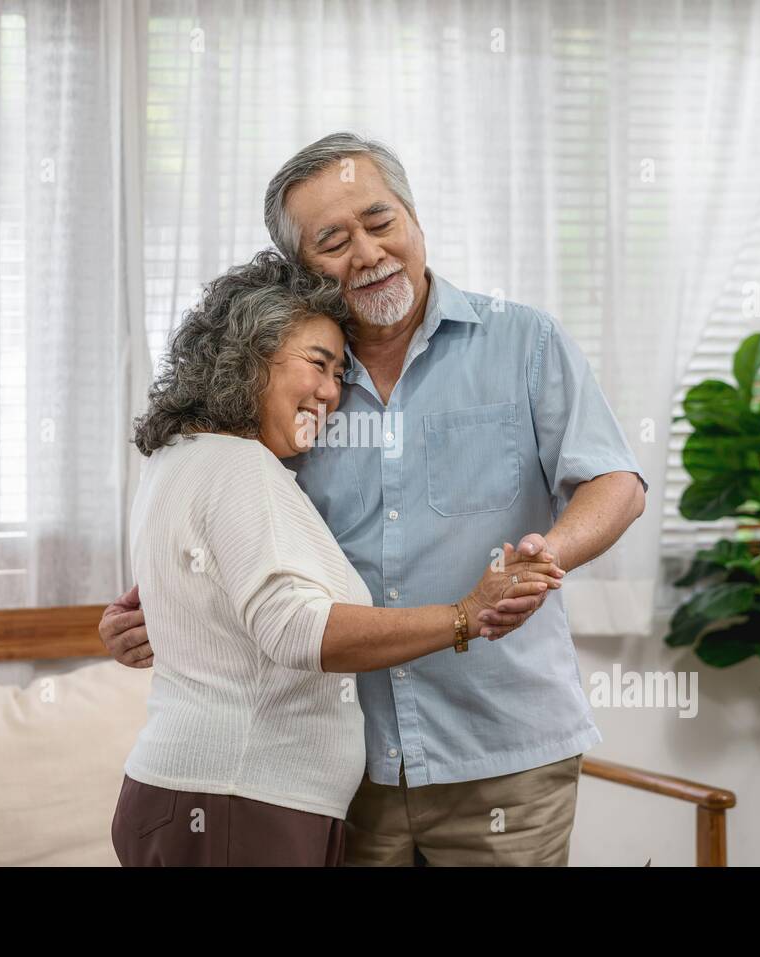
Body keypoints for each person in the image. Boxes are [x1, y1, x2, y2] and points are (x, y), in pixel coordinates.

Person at [105, 132, 649, 866]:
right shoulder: (289, 382)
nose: (366, 252)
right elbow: (236, 528)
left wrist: (549, 553)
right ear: (301, 268)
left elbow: (616, 481)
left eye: (380, 220)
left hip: (503, 754)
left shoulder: (524, 341)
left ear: (414, 217)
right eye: (333, 240)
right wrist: (166, 612)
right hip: (350, 769)